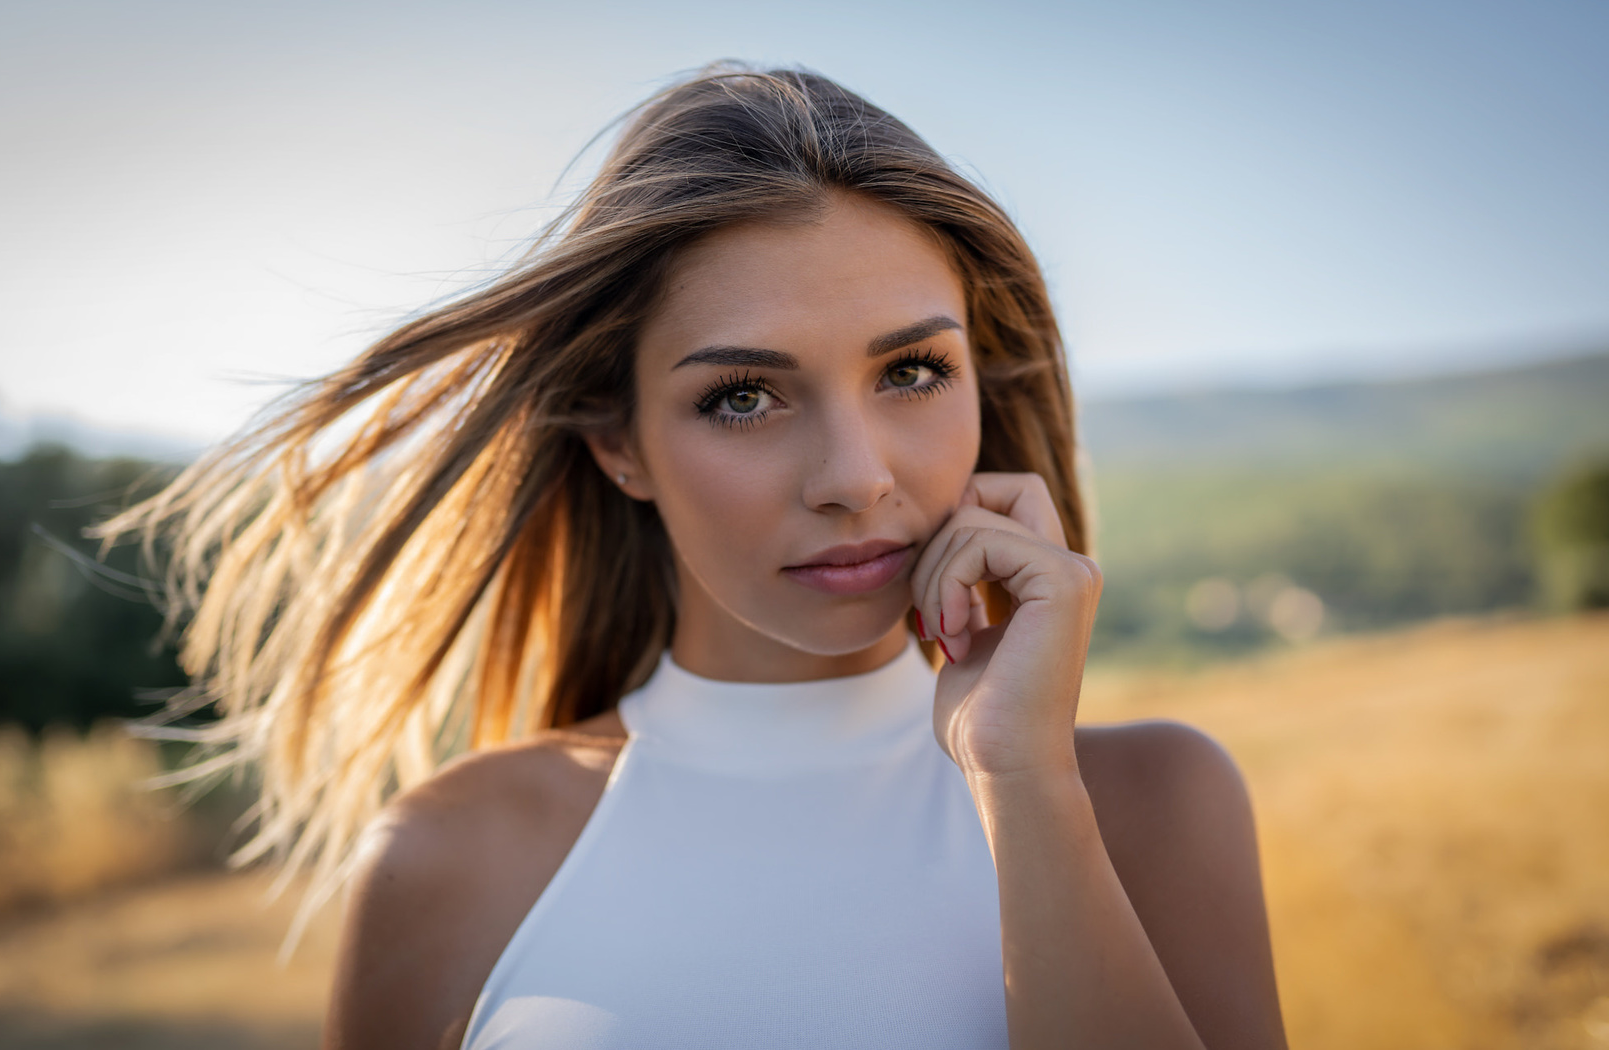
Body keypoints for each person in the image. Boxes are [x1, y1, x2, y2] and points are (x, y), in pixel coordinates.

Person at [104, 64, 1288, 1049]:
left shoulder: (1152, 806)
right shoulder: (449, 859)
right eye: (741, 398)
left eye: (912, 372)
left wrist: (1024, 788)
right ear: (619, 443)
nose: (856, 475)